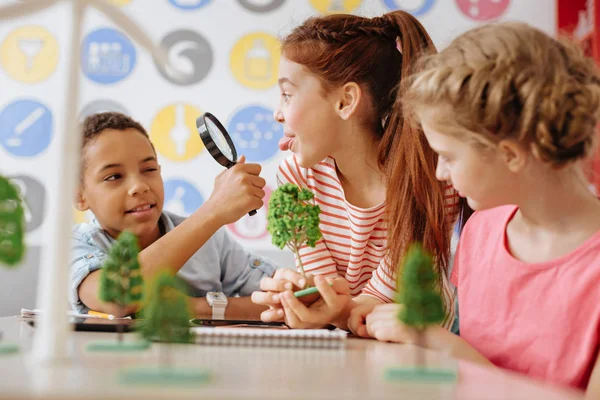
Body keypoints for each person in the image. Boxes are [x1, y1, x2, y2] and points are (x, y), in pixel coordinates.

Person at [366, 22, 600, 394]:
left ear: (508, 154)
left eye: (447, 156)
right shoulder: (481, 231)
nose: (441, 173)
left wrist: (446, 346)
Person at [252, 11, 460, 331]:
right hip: (347, 345)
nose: (278, 113)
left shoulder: (432, 175)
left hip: (417, 346)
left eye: (287, 94)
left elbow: (383, 300)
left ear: (346, 101)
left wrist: (329, 308)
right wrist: (301, 295)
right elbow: (326, 289)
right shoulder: (296, 177)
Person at [70, 112, 275, 319]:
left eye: (149, 169)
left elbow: (278, 301)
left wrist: (192, 307)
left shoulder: (212, 240)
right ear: (80, 196)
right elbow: (117, 296)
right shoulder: (76, 245)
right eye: (114, 176)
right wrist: (212, 211)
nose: (139, 186)